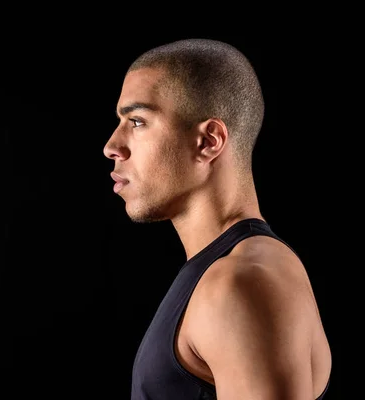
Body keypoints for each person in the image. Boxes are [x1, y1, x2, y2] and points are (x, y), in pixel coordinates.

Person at [103, 38, 332, 400]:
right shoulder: (229, 271)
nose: (112, 145)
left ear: (209, 141)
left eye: (137, 121)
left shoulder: (241, 283)